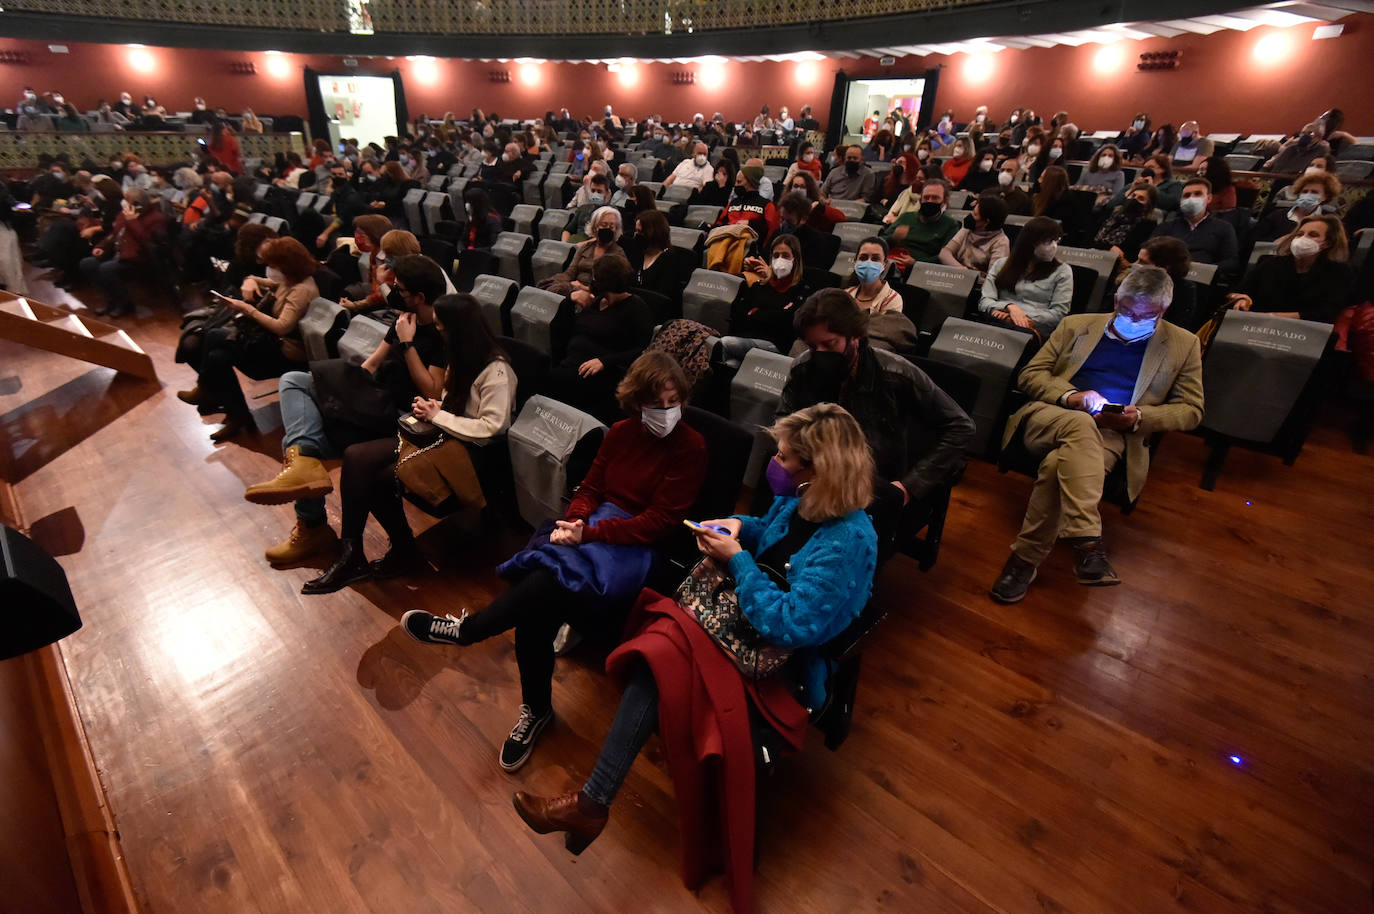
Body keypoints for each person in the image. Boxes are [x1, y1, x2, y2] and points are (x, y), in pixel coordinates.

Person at [507, 403, 875, 914]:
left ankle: (591, 805)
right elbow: (770, 531)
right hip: (742, 627)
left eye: (784, 457)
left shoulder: (849, 541)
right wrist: (738, 525)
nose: (775, 462)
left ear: (817, 469)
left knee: (657, 656)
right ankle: (591, 804)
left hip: (779, 660)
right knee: (659, 652)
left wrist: (738, 561)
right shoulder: (805, 500)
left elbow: (793, 625)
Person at [402, 350, 707, 771]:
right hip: (595, 528)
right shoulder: (619, 432)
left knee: (542, 584)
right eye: (657, 406)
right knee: (538, 602)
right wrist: (577, 518)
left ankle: (470, 632)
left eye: (674, 404)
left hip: (636, 548)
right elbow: (590, 486)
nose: (667, 413)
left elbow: (660, 521)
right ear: (637, 403)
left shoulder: (691, 447)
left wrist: (589, 532)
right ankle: (534, 707)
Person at [989, 265, 1204, 602]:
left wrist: (1140, 417)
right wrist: (1073, 397)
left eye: (1143, 314)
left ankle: (1024, 560)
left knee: (1055, 468)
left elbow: (1192, 410)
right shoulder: (1077, 325)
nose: (1131, 318)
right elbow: (1030, 375)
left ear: (1161, 310)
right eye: (1125, 309)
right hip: (1051, 416)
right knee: (1080, 422)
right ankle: (1087, 540)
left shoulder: (1183, 344)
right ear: (1117, 298)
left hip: (1114, 434)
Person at [243, 255, 450, 567]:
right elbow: (371, 365)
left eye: (401, 290)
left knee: (312, 446)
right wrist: (341, 389)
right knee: (295, 382)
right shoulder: (404, 319)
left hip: (407, 418)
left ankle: (312, 520)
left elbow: (432, 391)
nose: (395, 295)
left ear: (420, 296)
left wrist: (407, 346)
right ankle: (303, 466)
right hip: (376, 401)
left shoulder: (440, 331)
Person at [302, 294, 517, 594]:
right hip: (449, 437)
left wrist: (439, 415)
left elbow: (493, 427)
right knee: (355, 456)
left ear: (458, 328)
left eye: (442, 326)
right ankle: (353, 553)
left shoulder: (497, 371)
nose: (438, 331)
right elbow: (452, 403)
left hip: (472, 453)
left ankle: (397, 551)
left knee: (377, 476)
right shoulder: (462, 355)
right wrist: (433, 408)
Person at [780, 291, 974, 560]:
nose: (820, 354)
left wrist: (909, 486)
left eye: (830, 344)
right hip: (816, 474)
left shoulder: (897, 374)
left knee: (836, 561)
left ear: (855, 336)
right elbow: (784, 422)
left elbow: (961, 427)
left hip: (873, 484)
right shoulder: (803, 368)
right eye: (813, 347)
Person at [177, 236, 318, 441]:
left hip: (286, 352)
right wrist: (251, 280)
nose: (272, 269)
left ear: (286, 264)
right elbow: (269, 283)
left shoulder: (302, 290)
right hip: (271, 343)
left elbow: (282, 327)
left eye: (274, 264)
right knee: (217, 357)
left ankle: (207, 388)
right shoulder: (292, 278)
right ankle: (237, 415)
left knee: (215, 335)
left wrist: (247, 309)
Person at [549, 253, 655, 423]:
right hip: (569, 367)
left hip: (603, 376)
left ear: (604, 282)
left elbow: (642, 351)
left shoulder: (637, 308)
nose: (592, 281)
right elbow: (560, 329)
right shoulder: (595, 301)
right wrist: (569, 300)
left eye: (595, 277)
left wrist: (605, 361)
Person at [1226, 216, 1353, 323]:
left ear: (1328, 243)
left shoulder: (1339, 272)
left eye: (1313, 235)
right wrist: (1241, 298)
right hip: (1254, 326)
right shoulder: (1271, 263)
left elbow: (1327, 312)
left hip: (1302, 333)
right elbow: (1238, 291)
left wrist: (1273, 317)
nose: (1303, 238)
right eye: (1300, 234)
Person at [978, 215, 1073, 342]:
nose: (1054, 246)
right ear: (1030, 242)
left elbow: (1059, 313)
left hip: (1034, 330)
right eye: (1048, 241)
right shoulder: (1001, 265)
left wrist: (1019, 318)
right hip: (998, 324)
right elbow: (984, 301)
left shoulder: (1062, 271)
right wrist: (1010, 307)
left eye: (1056, 241)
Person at [78, 187, 168, 318]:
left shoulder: (156, 218)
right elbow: (114, 233)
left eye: (127, 200)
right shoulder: (123, 213)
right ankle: (111, 299)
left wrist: (132, 221)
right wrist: (102, 246)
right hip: (119, 252)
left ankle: (124, 304)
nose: (123, 202)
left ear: (137, 203)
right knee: (87, 263)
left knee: (107, 269)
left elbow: (148, 242)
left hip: (138, 257)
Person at [730, 233, 812, 352]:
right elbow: (737, 312)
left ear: (795, 259)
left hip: (775, 345)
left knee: (725, 344)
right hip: (747, 339)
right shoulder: (760, 285)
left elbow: (786, 320)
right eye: (776, 255)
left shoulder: (802, 290)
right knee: (729, 362)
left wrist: (755, 312)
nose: (780, 259)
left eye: (785, 256)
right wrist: (768, 314)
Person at [1150, 177, 1240, 279]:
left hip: (1202, 281)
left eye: (1198, 194)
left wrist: (1205, 270)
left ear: (1209, 198)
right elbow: (1149, 252)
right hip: (1167, 278)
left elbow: (1231, 262)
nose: (1191, 198)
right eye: (1186, 195)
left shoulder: (1224, 228)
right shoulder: (1167, 226)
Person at [845, 237, 918, 354]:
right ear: (855, 261)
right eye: (863, 258)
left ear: (885, 263)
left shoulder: (893, 299)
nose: (868, 262)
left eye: (875, 259)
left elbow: (885, 334)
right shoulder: (846, 294)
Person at [542, 206, 626, 297]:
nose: (607, 229)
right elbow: (570, 272)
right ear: (595, 227)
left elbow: (611, 286)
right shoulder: (586, 247)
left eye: (611, 226)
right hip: (574, 289)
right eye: (604, 225)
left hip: (598, 296)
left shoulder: (618, 253)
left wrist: (583, 288)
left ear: (616, 229)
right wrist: (556, 282)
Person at [879, 178, 961, 269]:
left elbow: (945, 257)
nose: (930, 201)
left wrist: (916, 263)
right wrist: (893, 238)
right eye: (926, 197)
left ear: (944, 202)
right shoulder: (906, 217)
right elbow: (881, 241)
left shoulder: (951, 225)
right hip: (892, 262)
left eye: (935, 198)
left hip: (922, 270)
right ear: (920, 200)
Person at [940, 192, 1011, 279]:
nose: (970, 216)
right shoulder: (968, 228)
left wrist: (968, 276)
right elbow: (944, 253)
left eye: (975, 215)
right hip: (956, 277)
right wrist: (961, 270)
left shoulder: (1001, 242)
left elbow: (992, 278)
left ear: (986, 222)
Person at [1254, 171, 1341, 242]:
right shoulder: (1276, 215)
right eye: (1305, 191)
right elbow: (1254, 239)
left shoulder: (1330, 220)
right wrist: (1275, 242)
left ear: (1325, 196)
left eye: (1314, 192)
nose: (1308, 195)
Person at [1092, 181, 1159, 266]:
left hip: (1119, 262)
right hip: (1093, 253)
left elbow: (1131, 252)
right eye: (1133, 195)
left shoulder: (1147, 223)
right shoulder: (1111, 212)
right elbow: (1091, 237)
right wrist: (1109, 248)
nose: (1134, 199)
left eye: (1141, 198)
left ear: (1149, 205)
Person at [719, 164, 778, 239]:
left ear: (751, 182)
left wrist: (751, 224)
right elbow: (720, 223)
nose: (736, 185)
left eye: (739, 182)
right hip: (726, 239)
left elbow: (772, 230)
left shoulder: (766, 205)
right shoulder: (733, 203)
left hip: (751, 243)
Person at [1261, 122, 1331, 174]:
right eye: (1303, 133)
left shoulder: (1321, 150)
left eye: (1310, 134)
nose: (1305, 136)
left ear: (1319, 137)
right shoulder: (1291, 148)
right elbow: (1273, 167)